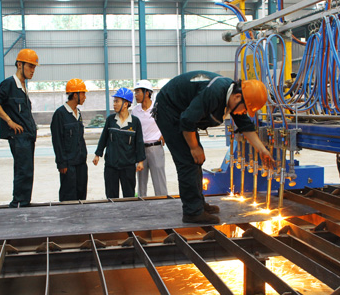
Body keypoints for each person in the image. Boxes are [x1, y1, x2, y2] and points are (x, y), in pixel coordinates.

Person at [154, 71, 274, 224]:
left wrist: (262, 150)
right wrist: (194, 147)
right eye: (244, 109)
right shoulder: (214, 93)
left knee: (196, 160)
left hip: (183, 114)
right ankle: (192, 212)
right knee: (188, 160)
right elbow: (187, 120)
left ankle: (197, 204)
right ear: (237, 97)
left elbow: (245, 125)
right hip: (168, 110)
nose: (243, 113)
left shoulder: (233, 96)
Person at [0, 49, 39, 208]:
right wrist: (9, 121)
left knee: (27, 171)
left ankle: (24, 202)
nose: (32, 70)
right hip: (19, 137)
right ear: (19, 65)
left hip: (27, 137)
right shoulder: (9, 84)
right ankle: (19, 202)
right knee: (23, 171)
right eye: (30, 66)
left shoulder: (22, 88)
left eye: (34, 67)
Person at [93, 87, 146, 198]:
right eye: (114, 101)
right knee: (111, 196)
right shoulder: (110, 120)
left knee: (129, 195)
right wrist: (98, 154)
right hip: (111, 165)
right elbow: (103, 138)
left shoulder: (135, 122)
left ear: (126, 104)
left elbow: (139, 142)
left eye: (117, 101)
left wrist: (140, 161)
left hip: (128, 166)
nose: (114, 104)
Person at [51, 79, 88, 201]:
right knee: (69, 196)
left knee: (81, 194)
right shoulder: (60, 114)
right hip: (68, 165)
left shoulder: (78, 113)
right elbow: (57, 141)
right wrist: (61, 163)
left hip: (81, 163)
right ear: (75, 95)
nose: (85, 97)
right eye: (83, 93)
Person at [132, 79, 168, 197]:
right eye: (135, 92)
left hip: (155, 148)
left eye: (138, 92)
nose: (136, 95)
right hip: (140, 150)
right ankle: (141, 204)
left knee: (159, 180)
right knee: (141, 182)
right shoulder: (135, 111)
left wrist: (165, 134)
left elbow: (169, 122)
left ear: (147, 93)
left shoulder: (157, 108)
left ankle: (163, 202)